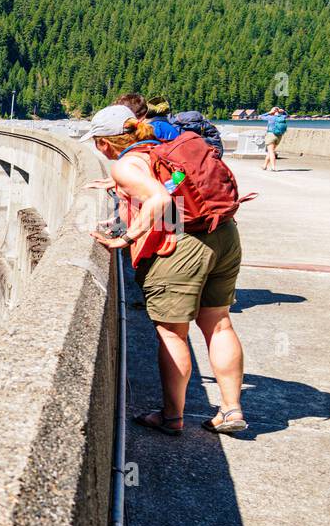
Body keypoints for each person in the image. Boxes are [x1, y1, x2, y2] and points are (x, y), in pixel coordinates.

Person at [82, 104, 249, 435]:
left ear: (103, 143)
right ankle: (231, 410)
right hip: (222, 234)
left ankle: (172, 416)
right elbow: (174, 185)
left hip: (183, 245)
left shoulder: (127, 165)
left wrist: (125, 238)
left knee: (173, 333)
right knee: (219, 325)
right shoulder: (164, 147)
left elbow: (158, 199)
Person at [261, 106, 288, 170]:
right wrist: (283, 111)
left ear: (272, 112)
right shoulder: (282, 117)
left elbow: (261, 116)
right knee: (271, 151)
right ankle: (264, 165)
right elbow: (287, 115)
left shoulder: (270, 117)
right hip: (279, 136)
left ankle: (273, 167)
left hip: (271, 135)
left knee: (271, 152)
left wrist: (269, 112)